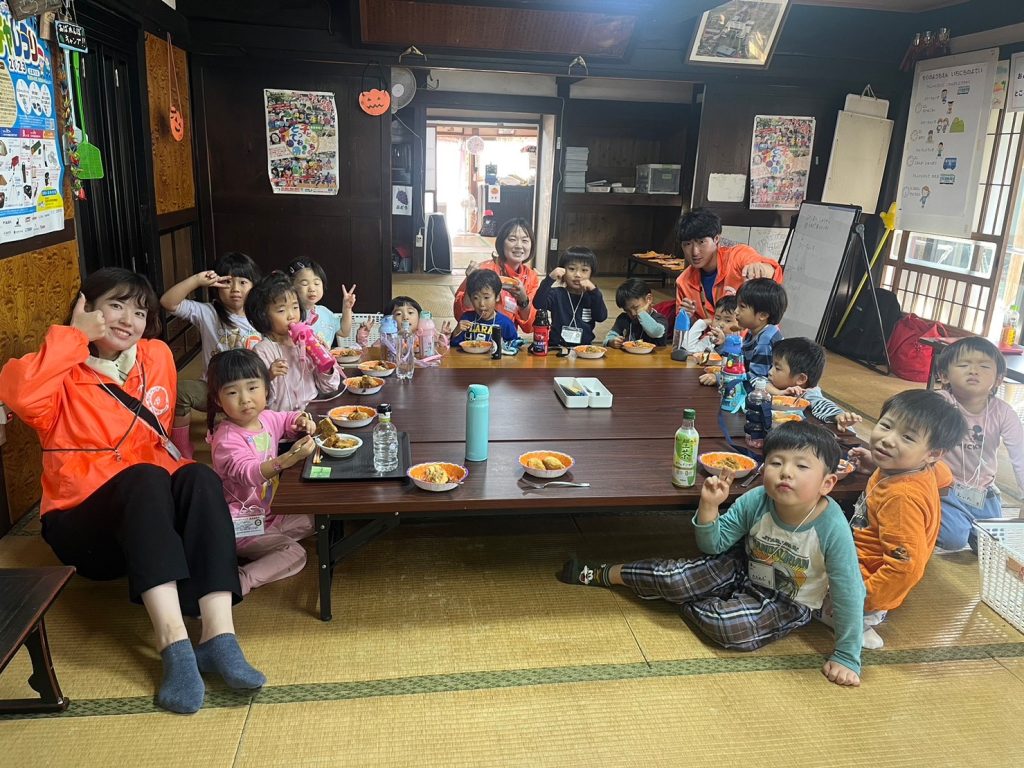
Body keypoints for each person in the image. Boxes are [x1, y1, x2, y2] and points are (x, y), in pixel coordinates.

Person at [0, 268, 264, 714]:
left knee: (199, 477)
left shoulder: (155, 355)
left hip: (150, 518)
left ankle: (219, 637)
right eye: (116, 305)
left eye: (140, 312)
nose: (129, 319)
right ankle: (174, 644)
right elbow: (22, 396)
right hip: (86, 528)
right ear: (86, 308)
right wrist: (73, 337)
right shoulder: (54, 369)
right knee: (144, 477)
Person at [561, 421, 865, 687]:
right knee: (674, 578)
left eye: (801, 466)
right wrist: (709, 506)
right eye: (776, 462)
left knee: (728, 628)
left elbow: (849, 590)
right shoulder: (757, 498)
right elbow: (713, 546)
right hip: (742, 567)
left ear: (827, 483)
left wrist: (847, 656)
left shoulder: (831, 526)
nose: (786, 472)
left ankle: (680, 596)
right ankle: (607, 573)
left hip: (788, 600)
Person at [845, 390, 966, 647]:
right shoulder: (920, 467)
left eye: (907, 437)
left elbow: (905, 567)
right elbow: (945, 477)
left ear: (933, 453)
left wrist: (862, 598)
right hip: (862, 559)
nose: (888, 440)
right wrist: (875, 465)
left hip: (865, 581)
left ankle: (860, 621)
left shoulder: (901, 499)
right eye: (886, 425)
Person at [207, 350, 316, 596]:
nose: (245, 399)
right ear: (217, 399)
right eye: (232, 392)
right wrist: (289, 458)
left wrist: (302, 420)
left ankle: (270, 543)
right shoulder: (226, 439)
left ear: (266, 389)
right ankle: (241, 579)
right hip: (240, 523)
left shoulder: (266, 418)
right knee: (295, 554)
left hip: (270, 513)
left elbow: (287, 419)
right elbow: (248, 473)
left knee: (318, 517)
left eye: (252, 388)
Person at [160, 252, 262, 458]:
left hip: (252, 392)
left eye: (243, 282)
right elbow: (167, 302)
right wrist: (197, 280)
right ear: (216, 285)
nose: (235, 289)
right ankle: (181, 447)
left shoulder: (262, 316)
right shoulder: (208, 313)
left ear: (254, 286)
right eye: (227, 282)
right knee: (180, 392)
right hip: (214, 390)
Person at [933, 337, 1024, 551]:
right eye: (964, 365)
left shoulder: (1003, 412)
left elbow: (1020, 454)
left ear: (998, 379)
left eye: (984, 366)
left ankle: (970, 526)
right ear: (944, 375)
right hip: (945, 487)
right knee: (953, 540)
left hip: (983, 491)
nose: (974, 371)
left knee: (995, 545)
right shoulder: (939, 402)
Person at [246, 272, 341, 411]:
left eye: (295, 307)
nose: (291, 315)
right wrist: (269, 375)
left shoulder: (306, 341)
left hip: (311, 413)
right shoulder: (262, 350)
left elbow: (329, 387)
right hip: (280, 418)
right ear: (263, 316)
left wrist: (324, 362)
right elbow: (255, 395)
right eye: (281, 310)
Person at [675, 208, 782, 322]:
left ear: (716, 239)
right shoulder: (683, 282)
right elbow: (684, 327)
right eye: (687, 244)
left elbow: (771, 271)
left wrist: (760, 268)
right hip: (710, 333)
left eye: (701, 242)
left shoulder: (737, 256)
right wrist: (687, 317)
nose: (695, 252)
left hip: (749, 332)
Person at [453, 218, 538, 332]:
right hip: (477, 334)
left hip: (506, 337)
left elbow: (530, 327)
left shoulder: (531, 277)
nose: (519, 245)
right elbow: (460, 315)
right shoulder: (483, 270)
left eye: (525, 240)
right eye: (512, 239)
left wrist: (523, 300)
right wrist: (471, 281)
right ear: (501, 243)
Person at [767, 337, 862, 430]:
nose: (770, 372)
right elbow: (761, 383)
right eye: (772, 365)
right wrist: (778, 392)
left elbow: (821, 403)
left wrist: (839, 416)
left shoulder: (808, 392)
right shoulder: (778, 384)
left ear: (800, 379)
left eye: (777, 368)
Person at [532, 247, 607, 348]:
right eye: (571, 269)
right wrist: (550, 279)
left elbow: (601, 317)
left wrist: (594, 291)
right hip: (556, 347)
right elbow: (538, 304)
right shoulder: (556, 294)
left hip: (583, 348)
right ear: (563, 270)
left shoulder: (592, 296)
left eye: (584, 270)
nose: (577, 275)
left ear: (591, 273)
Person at [285, 258, 355, 348]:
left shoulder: (324, 312)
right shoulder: (291, 316)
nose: (312, 289)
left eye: (317, 283)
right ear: (291, 286)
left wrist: (347, 308)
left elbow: (344, 331)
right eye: (305, 284)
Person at [355, 296, 453, 356]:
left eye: (410, 312)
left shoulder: (425, 335)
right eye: (398, 314)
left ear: (420, 317)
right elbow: (365, 353)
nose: (405, 317)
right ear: (389, 320)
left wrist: (443, 337)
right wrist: (362, 336)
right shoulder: (387, 339)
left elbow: (441, 352)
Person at [450, 269, 519, 347]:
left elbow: (515, 347)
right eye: (476, 298)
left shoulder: (505, 323)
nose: (481, 304)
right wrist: (456, 332)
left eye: (486, 297)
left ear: (497, 297)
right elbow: (453, 346)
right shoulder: (467, 318)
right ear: (470, 298)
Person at [736, 278, 787, 381]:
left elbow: (756, 378)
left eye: (742, 307)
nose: (736, 311)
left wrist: (722, 378)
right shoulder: (752, 332)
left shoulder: (765, 340)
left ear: (763, 315)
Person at [605, 278, 670, 348]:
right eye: (627, 310)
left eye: (636, 307)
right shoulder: (623, 318)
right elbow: (609, 337)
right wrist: (611, 341)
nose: (633, 313)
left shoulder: (660, 319)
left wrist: (641, 313)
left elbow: (655, 332)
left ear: (649, 299)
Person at [688, 295, 742, 365]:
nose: (721, 324)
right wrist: (701, 323)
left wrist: (721, 344)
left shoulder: (740, 343)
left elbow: (731, 364)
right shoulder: (709, 340)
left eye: (728, 321)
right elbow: (689, 351)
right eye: (717, 318)